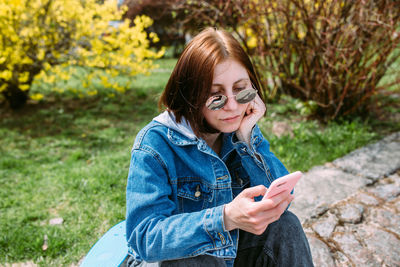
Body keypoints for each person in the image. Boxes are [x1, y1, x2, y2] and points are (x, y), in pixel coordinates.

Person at [125, 27, 314, 267]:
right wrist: (225, 218)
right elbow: (143, 238)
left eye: (240, 89)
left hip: (229, 255)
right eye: (216, 95)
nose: (233, 107)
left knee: (286, 226)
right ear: (190, 95)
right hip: (175, 262)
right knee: (197, 259)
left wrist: (247, 140)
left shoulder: (239, 130)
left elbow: (281, 203)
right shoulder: (155, 144)